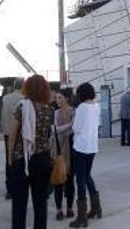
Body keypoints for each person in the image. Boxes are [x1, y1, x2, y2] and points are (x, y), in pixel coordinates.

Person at [7, 74, 54, 229]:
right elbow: (48, 135)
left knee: (19, 204)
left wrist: (9, 158)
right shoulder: (49, 110)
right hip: (42, 160)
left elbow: (12, 136)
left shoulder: (22, 107)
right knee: (40, 203)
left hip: (22, 160)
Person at [69, 82, 101, 228]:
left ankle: (82, 217)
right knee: (87, 176)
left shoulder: (82, 107)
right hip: (92, 147)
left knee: (80, 179)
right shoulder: (96, 106)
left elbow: (75, 128)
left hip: (80, 147)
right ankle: (96, 208)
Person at [53, 88, 76, 221]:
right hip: (58, 149)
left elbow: (74, 129)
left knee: (69, 180)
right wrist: (69, 125)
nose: (57, 100)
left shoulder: (74, 111)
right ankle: (58, 210)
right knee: (58, 179)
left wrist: (64, 129)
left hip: (71, 149)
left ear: (67, 98)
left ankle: (69, 208)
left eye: (60, 97)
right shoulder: (55, 113)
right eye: (56, 98)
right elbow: (55, 129)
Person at [1, 77, 24, 199]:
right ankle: (19, 186)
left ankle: (9, 189)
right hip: (19, 134)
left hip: (7, 132)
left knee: (9, 159)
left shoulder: (5, 98)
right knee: (20, 159)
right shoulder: (24, 100)